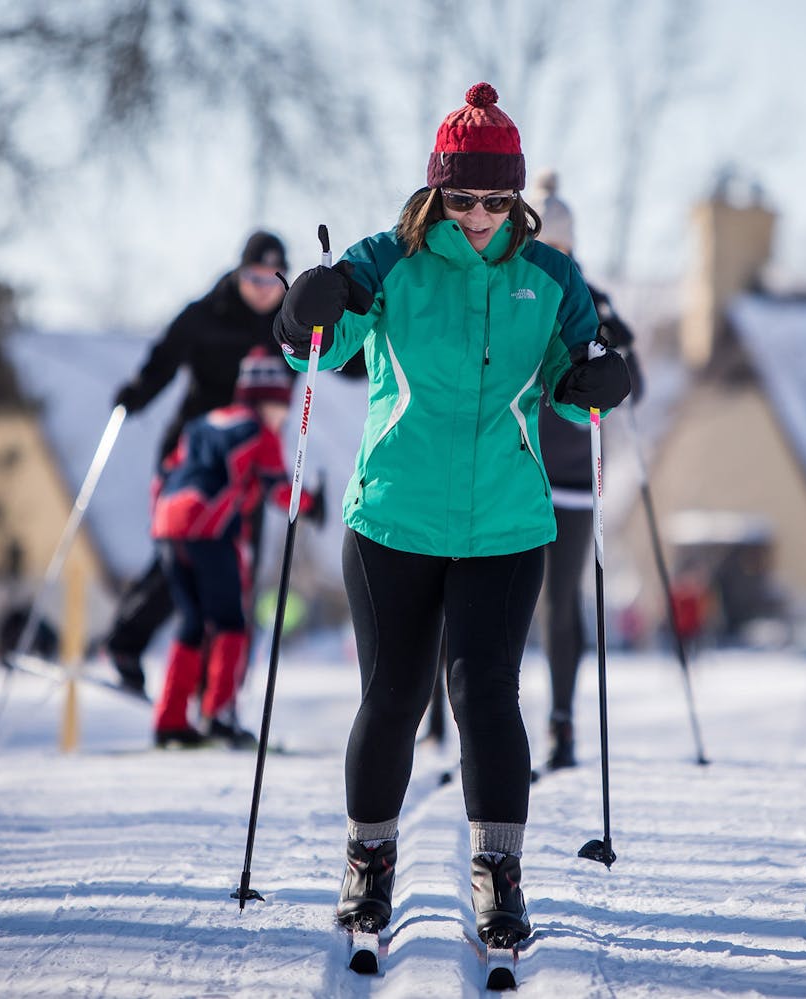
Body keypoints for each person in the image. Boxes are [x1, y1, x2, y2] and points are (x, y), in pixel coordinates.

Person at [272, 83, 631, 947]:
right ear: (436, 189)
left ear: (517, 200)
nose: (478, 214)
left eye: (497, 199)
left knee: (485, 696)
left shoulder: (549, 276)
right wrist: (305, 306)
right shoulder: (386, 259)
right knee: (394, 694)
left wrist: (599, 383)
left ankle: (499, 875)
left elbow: (579, 369)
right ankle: (368, 860)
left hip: (505, 525)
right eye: (463, 196)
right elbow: (311, 347)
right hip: (394, 516)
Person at [104, 231, 320, 693]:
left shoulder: (289, 318)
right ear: (240, 274)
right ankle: (127, 641)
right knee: (184, 552)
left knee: (236, 572)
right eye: (254, 277)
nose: (263, 288)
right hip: (194, 456)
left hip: (251, 465)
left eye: (273, 278)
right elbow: (164, 359)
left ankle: (219, 693)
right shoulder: (208, 313)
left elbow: (338, 353)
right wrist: (137, 394)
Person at [148, 350, 323, 748]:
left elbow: (166, 473)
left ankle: (170, 720)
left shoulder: (201, 423)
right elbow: (281, 490)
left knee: (192, 622)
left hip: (167, 526)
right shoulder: (260, 432)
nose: (283, 414)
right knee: (230, 623)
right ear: (265, 400)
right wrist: (313, 505)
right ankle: (220, 715)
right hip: (211, 528)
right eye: (281, 404)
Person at [530, 170, 645, 770]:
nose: (552, 256)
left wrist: (619, 347)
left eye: (560, 247)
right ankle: (459, 726)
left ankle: (562, 723)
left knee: (559, 603)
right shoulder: (514, 289)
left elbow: (634, 389)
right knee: (493, 597)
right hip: (516, 467)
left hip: (572, 478)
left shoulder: (589, 298)